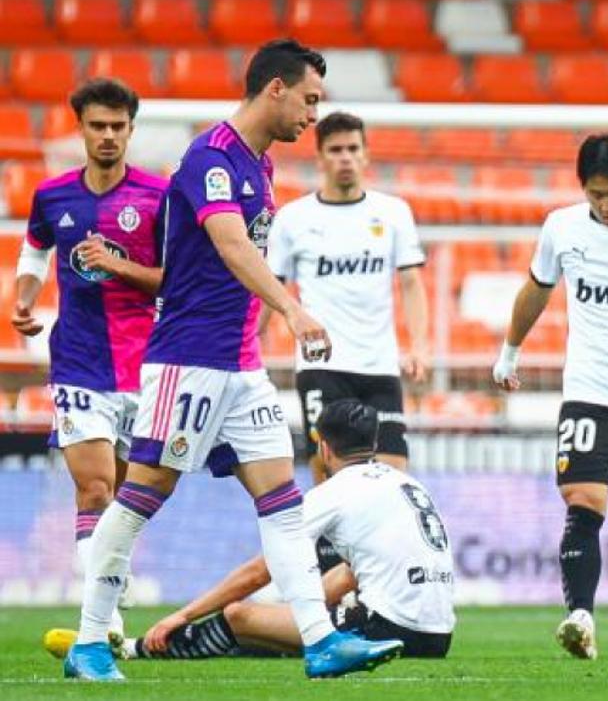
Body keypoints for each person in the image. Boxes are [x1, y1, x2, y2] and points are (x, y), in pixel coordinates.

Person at [63, 39, 404, 682]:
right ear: (275, 88)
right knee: (141, 496)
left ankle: (320, 641)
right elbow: (228, 246)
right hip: (188, 360)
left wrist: (268, 324)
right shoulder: (210, 158)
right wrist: (293, 310)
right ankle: (89, 643)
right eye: (308, 99)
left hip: (241, 366)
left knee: (282, 501)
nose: (312, 114)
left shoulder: (262, 166)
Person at [44, 400, 455, 661]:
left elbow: (263, 569)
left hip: (389, 627)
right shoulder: (405, 482)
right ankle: (284, 639)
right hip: (440, 634)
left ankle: (138, 651)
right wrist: (294, 612)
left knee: (240, 615)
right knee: (276, 623)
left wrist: (183, 614)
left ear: (324, 448)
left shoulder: (336, 491)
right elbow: (347, 574)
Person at [492, 134, 608, 661]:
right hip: (590, 392)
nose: (604, 204)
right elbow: (537, 286)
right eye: (595, 193)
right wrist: (510, 350)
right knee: (583, 498)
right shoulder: (562, 226)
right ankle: (580, 616)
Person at [11, 78, 166, 639]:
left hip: (145, 367)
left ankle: (104, 602)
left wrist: (117, 265)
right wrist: (23, 298)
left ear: (130, 129)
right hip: (79, 362)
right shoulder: (53, 196)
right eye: (97, 125)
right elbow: (35, 251)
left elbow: (173, 282)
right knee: (95, 490)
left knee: (125, 504)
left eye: (117, 126)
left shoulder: (158, 197)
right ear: (80, 128)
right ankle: (105, 621)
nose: (107, 136)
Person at [264, 111, 430, 484]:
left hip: (379, 366)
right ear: (320, 157)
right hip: (322, 366)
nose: (346, 158)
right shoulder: (293, 218)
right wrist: (249, 347)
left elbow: (411, 283)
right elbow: (270, 290)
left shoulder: (392, 212)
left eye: (353, 149)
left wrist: (420, 345)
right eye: (336, 150)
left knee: (390, 477)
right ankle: (327, 546)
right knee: (330, 478)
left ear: (366, 155)